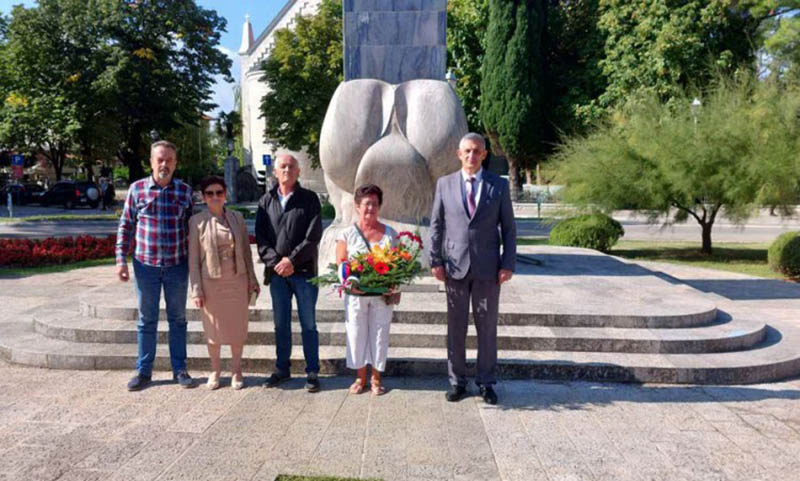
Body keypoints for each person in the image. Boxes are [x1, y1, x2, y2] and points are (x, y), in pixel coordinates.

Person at [429, 132, 516, 405]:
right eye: (467, 151)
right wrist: (435, 260)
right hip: (454, 268)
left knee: (487, 329)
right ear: (459, 154)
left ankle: (486, 382)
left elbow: (509, 228)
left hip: (488, 269)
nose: (472, 155)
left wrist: (508, 263)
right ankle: (457, 381)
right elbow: (436, 225)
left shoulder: (498, 186)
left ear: (484, 154)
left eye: (477, 151)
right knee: (455, 328)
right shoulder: (444, 184)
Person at [116, 140, 196, 391]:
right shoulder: (137, 189)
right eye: (160, 159)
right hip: (145, 266)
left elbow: (193, 230)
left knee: (178, 319)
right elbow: (126, 225)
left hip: (177, 266)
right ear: (151, 162)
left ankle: (180, 369)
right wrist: (120, 260)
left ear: (175, 163)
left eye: (169, 160)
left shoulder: (185, 192)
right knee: (146, 320)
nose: (164, 164)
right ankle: (144, 372)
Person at [256, 154, 323, 392]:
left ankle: (312, 371)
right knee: (281, 324)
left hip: (304, 272)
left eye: (291, 166)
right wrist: (277, 263)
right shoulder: (266, 201)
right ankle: (282, 369)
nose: (287, 170)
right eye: (282, 166)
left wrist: (291, 260)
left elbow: (313, 236)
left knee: (308, 324)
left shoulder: (309, 199)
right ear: (275, 172)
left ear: (298, 171)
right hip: (277, 275)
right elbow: (261, 238)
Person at [189, 176, 260, 390]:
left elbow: (246, 252)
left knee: (237, 329)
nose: (215, 197)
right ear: (203, 197)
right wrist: (196, 290)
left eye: (219, 192)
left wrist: (252, 279)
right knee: (213, 330)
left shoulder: (237, 218)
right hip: (211, 283)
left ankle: (237, 370)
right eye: (209, 193)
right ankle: (215, 371)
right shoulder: (197, 222)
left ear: (225, 194)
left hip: (237, 280)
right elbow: (193, 260)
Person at [336, 184, 401, 396]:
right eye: (366, 204)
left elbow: (399, 265)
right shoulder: (347, 234)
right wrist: (351, 284)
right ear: (357, 206)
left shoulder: (390, 234)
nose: (370, 208)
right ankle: (360, 376)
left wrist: (395, 287)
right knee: (356, 334)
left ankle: (376, 377)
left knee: (380, 335)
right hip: (356, 296)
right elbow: (341, 263)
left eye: (374, 203)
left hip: (382, 296)